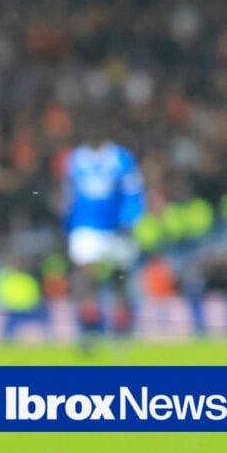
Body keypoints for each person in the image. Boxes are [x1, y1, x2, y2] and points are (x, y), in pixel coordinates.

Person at [61, 110, 145, 352]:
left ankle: (121, 332)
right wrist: (67, 224)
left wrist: (129, 220)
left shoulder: (122, 159)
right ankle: (90, 329)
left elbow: (133, 192)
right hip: (86, 226)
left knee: (120, 278)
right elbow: (69, 194)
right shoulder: (75, 159)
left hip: (117, 228)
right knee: (85, 276)